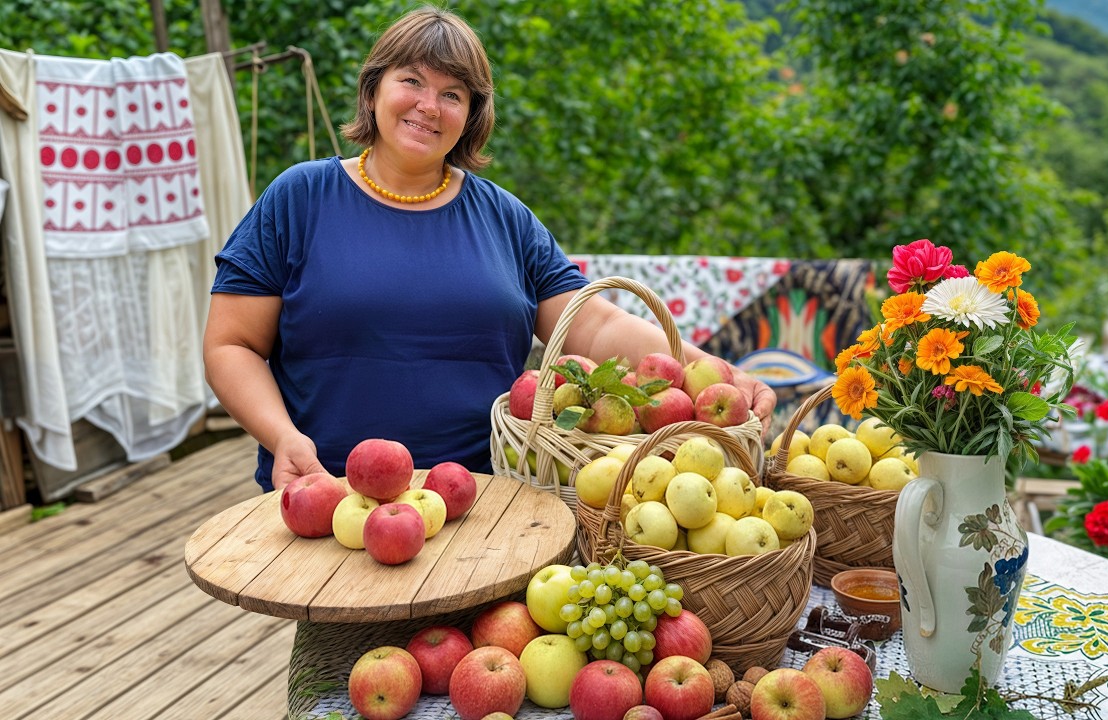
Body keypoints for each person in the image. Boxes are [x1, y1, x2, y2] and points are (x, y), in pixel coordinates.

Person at [204, 5, 775, 493]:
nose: (429, 105)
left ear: (471, 116)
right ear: (374, 87)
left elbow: (594, 327)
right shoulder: (300, 197)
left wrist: (713, 372)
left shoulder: (504, 217)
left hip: (486, 501)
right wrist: (282, 438)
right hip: (327, 496)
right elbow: (231, 344)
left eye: (452, 93)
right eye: (411, 81)